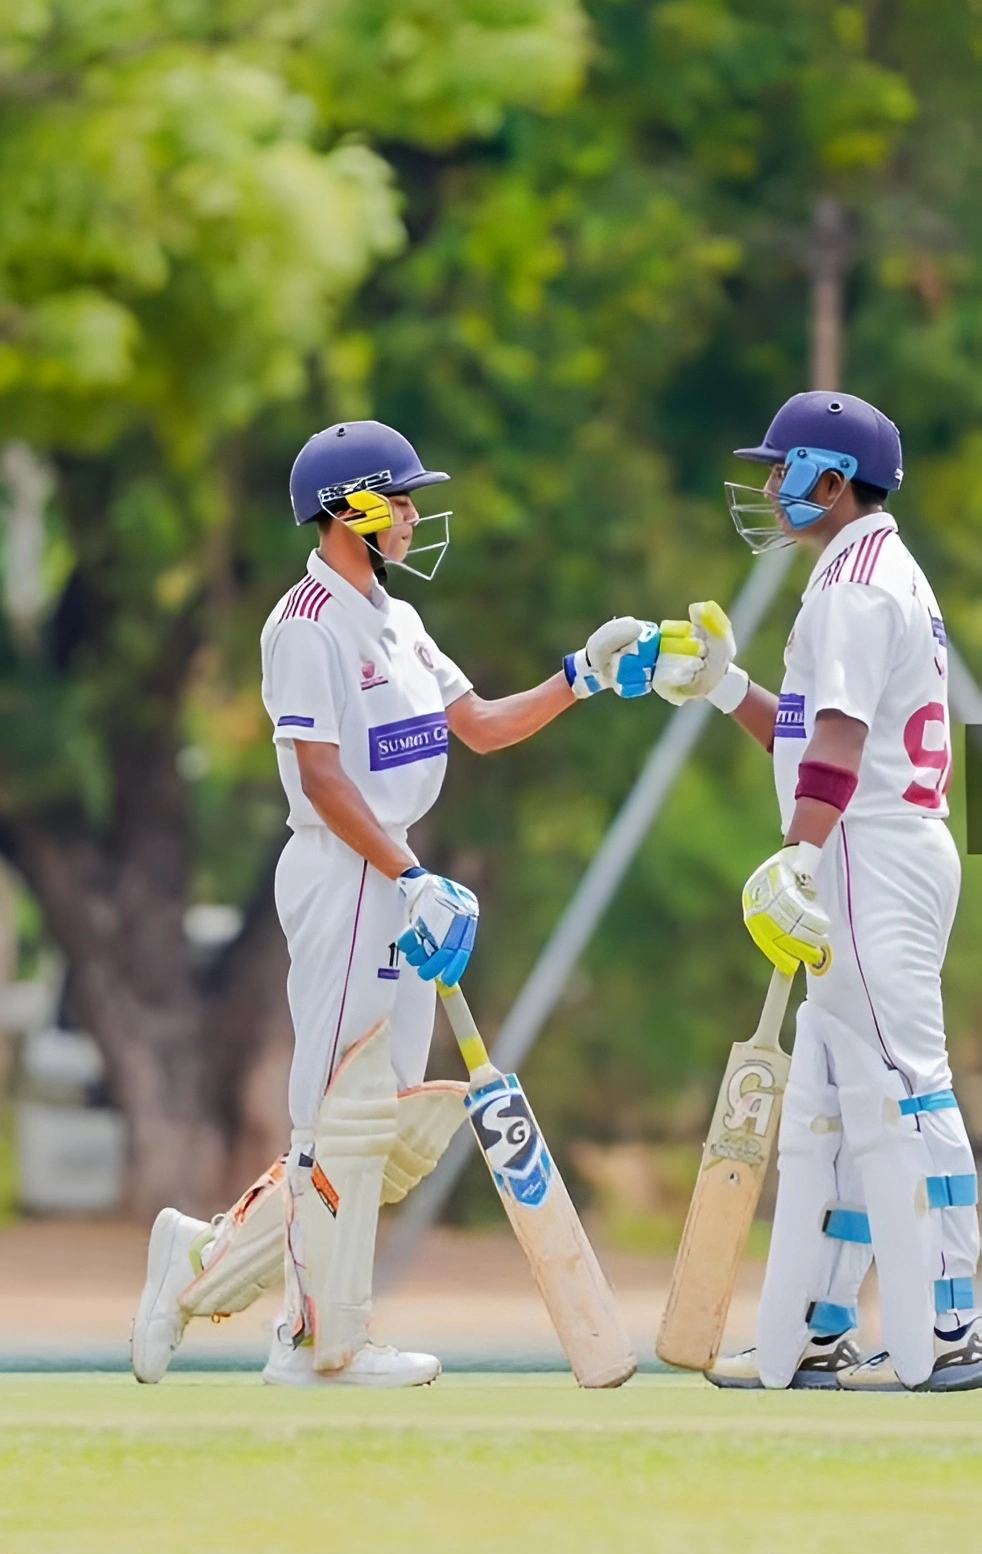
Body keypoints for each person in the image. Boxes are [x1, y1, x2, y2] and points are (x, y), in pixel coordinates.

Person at [132, 419, 698, 1388]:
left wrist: (585, 676)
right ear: (345, 508)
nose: (410, 514)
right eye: (396, 497)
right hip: (347, 873)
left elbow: (475, 726)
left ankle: (201, 1264)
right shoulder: (305, 622)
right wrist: (410, 878)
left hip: (393, 872)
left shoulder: (394, 618)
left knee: (379, 1127)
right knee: (343, 1115)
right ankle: (315, 1346)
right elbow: (318, 776)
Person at [655, 390, 982, 1392]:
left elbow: (837, 748)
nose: (765, 487)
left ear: (829, 483)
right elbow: (807, 735)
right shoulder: (878, 569)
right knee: (838, 1107)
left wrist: (802, 851)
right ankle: (822, 1326)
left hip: (864, 851)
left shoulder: (854, 584)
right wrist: (723, 684)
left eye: (781, 468)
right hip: (873, 840)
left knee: (902, 1090)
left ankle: (956, 1323)